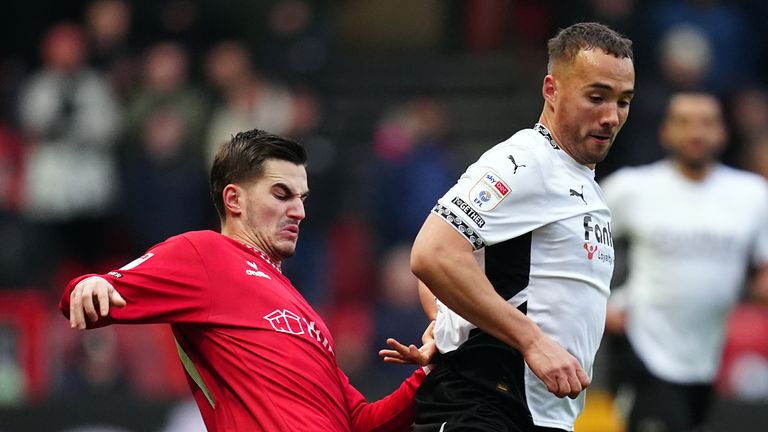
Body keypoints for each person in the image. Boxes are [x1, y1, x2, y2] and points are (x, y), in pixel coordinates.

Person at [60, 129, 436, 431]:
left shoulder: (305, 312)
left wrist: (431, 371)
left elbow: (362, 423)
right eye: (282, 194)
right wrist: (91, 285)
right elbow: (91, 296)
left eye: (302, 198)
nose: (300, 211)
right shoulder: (205, 254)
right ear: (234, 200)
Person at [409, 22, 635, 431]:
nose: (611, 116)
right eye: (596, 97)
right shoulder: (526, 161)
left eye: (623, 101)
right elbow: (433, 253)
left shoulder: (581, 181)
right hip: (485, 405)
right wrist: (531, 340)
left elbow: (460, 260)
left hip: (536, 415)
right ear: (552, 90)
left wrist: (445, 318)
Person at [600, 92, 768, 432]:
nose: (696, 132)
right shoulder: (631, 189)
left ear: (723, 132)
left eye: (707, 123)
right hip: (644, 346)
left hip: (710, 355)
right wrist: (599, 303)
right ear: (665, 132)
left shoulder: (752, 195)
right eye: (684, 122)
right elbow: (573, 244)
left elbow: (762, 272)